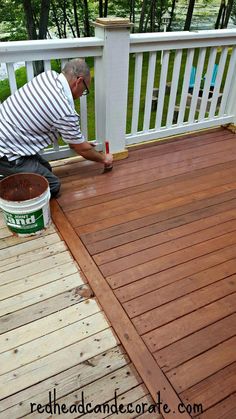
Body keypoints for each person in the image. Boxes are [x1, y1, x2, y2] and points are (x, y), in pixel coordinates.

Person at [0, 59, 113, 197]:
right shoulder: (63, 109)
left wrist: (78, 143)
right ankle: (5, 189)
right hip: (7, 153)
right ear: (78, 81)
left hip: (11, 139)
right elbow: (80, 148)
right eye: (84, 90)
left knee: (46, 169)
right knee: (52, 186)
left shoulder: (47, 76)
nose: (81, 94)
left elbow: (76, 143)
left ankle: (13, 177)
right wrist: (104, 159)